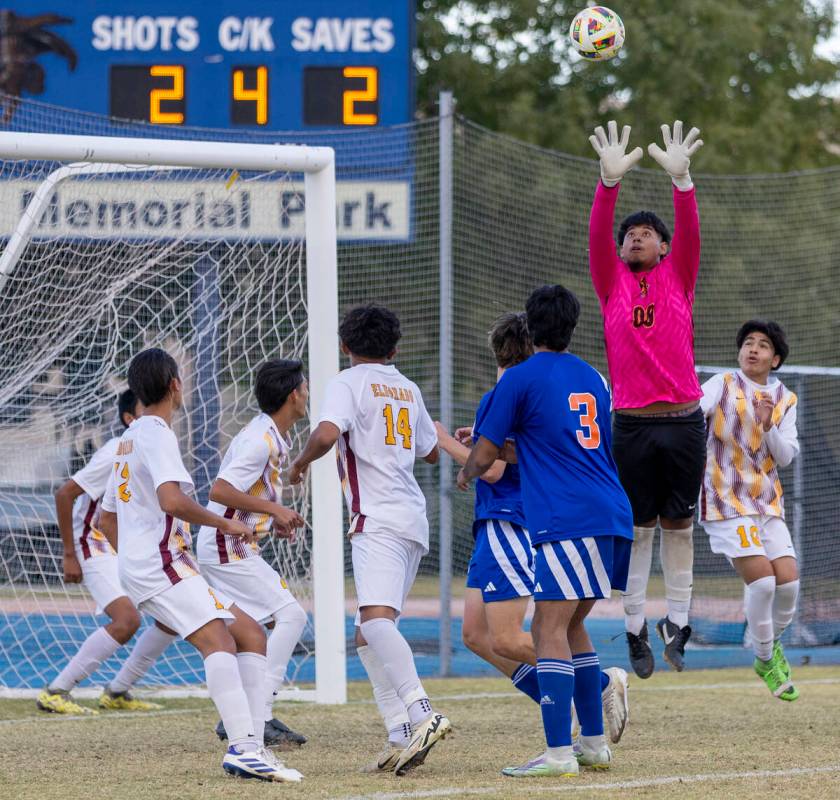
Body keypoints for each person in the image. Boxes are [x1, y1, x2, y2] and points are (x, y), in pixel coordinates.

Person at [98, 348, 301, 782]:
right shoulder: (157, 434)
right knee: (219, 642)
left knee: (248, 633)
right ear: (175, 385)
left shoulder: (129, 438)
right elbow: (174, 501)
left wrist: (134, 562)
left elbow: (106, 518)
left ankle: (253, 744)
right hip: (163, 563)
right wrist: (225, 524)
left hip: (155, 563)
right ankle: (244, 748)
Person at [458, 285, 633, 778]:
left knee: (546, 629)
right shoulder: (593, 377)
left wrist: (467, 465)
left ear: (530, 328)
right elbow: (558, 446)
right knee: (572, 625)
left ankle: (558, 754)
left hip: (567, 518)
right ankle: (594, 745)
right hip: (609, 514)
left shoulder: (518, 378)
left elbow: (489, 454)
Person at [288, 304, 451, 776]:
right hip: (412, 520)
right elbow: (431, 453)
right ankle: (400, 732)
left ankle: (422, 713)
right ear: (395, 348)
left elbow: (324, 433)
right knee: (368, 632)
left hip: (377, 519)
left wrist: (299, 465)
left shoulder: (348, 381)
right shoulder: (407, 387)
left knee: (376, 624)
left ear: (344, 346)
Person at [588, 119, 705, 677]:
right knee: (637, 530)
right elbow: (597, 234)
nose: (633, 237)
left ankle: (677, 626)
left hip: (683, 422)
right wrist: (607, 185)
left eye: (644, 233)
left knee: (679, 526)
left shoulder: (679, 275)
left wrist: (682, 184)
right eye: (627, 233)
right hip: (630, 424)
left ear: (663, 247)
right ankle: (634, 631)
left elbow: (690, 232)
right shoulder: (610, 281)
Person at [39, 389, 175, 715]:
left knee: (173, 616)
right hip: (93, 543)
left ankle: (117, 691)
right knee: (127, 619)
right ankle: (56, 691)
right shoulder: (117, 449)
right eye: (148, 408)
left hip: (126, 547)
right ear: (131, 418)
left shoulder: (154, 448)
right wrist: (69, 554)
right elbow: (64, 494)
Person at [196, 358, 309, 748]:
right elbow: (220, 491)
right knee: (290, 615)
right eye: (305, 388)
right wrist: (276, 509)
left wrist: (268, 518)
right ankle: (258, 712)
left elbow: (247, 494)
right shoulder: (260, 440)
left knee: (258, 631)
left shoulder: (271, 435)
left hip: (235, 544)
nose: (308, 394)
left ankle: (248, 714)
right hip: (225, 547)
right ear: (294, 395)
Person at [699, 321, 800, 701]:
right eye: (747, 343)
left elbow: (786, 457)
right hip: (725, 499)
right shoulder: (721, 384)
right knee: (762, 582)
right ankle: (763, 658)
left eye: (762, 345)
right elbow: (694, 410)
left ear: (775, 359)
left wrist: (766, 424)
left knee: (788, 584)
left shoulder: (785, 399)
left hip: (766, 501)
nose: (753, 349)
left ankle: (768, 644)